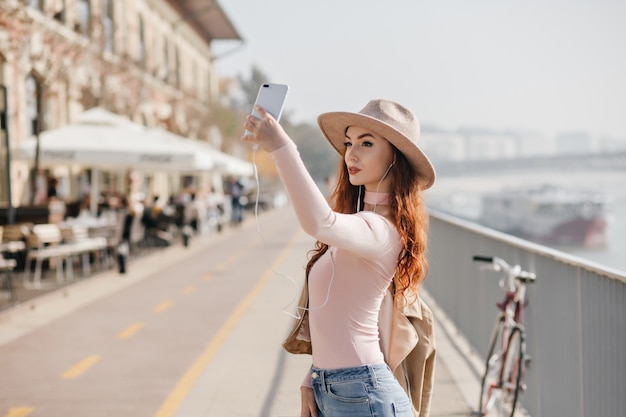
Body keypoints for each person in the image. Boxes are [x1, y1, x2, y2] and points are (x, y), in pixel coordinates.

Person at [242, 99, 436, 417]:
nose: (351, 154)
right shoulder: (363, 225)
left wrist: (281, 147)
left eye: (366, 143)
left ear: (395, 157)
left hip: (364, 393)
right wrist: (313, 377)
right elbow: (344, 314)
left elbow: (319, 222)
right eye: (349, 143)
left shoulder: (380, 230)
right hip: (342, 389)